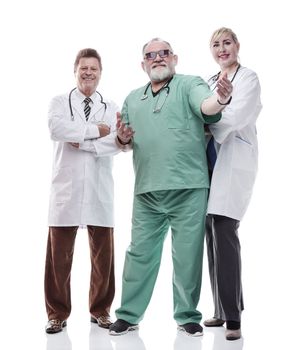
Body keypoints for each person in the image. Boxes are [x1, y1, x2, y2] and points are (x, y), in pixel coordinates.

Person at [110, 38, 233, 337]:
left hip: (188, 188)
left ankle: (187, 315)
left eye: (164, 53)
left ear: (174, 58)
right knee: (139, 254)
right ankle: (128, 315)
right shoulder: (132, 98)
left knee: (187, 255)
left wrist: (222, 98)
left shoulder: (189, 85)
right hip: (147, 191)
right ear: (143, 64)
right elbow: (122, 141)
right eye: (150, 55)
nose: (158, 58)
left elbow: (207, 106)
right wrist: (123, 138)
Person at [44, 48, 130, 334]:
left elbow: (117, 144)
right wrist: (97, 131)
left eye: (93, 68)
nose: (88, 72)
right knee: (58, 256)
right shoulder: (59, 102)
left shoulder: (111, 104)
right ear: (75, 70)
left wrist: (87, 138)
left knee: (103, 256)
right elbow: (57, 129)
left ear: (100, 72)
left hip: (99, 188)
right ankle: (57, 313)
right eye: (83, 67)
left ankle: (101, 310)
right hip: (66, 190)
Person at [203, 27, 262, 340]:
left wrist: (208, 120)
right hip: (210, 164)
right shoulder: (210, 82)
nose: (222, 48)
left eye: (227, 43)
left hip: (235, 159)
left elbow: (235, 118)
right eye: (216, 44)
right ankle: (220, 309)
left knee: (224, 229)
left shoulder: (248, 78)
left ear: (237, 45)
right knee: (211, 230)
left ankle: (233, 319)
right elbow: (202, 113)